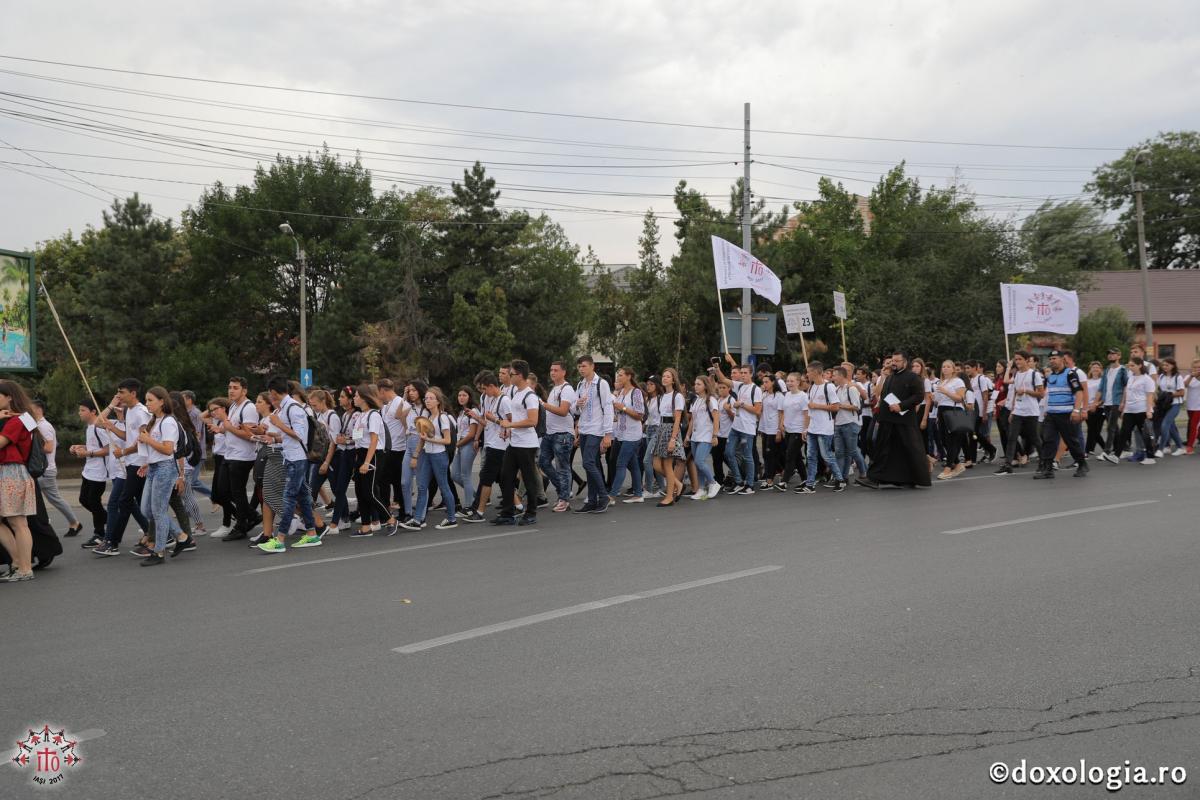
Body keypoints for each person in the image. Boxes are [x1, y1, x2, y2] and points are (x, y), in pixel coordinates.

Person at [93, 379, 153, 556]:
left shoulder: (141, 412)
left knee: (124, 501)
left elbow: (144, 439)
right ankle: (163, 535)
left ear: (133, 393)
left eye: (122, 392)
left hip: (139, 462)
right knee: (143, 505)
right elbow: (129, 435)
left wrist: (125, 451)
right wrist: (112, 428)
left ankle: (112, 542)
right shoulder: (130, 411)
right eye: (118, 392)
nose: (119, 395)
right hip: (131, 462)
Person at [858, 351, 930, 489]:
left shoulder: (913, 378)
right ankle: (875, 478)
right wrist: (880, 417)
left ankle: (911, 479)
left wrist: (901, 405)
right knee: (883, 450)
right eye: (892, 361)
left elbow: (919, 396)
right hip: (887, 421)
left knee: (908, 450)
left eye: (897, 361)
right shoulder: (890, 377)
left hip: (904, 421)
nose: (894, 364)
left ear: (904, 362)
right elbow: (883, 397)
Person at [134, 387, 185, 566]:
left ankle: (159, 551)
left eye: (150, 400)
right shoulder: (155, 421)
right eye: (146, 400)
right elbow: (159, 450)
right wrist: (148, 462)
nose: (147, 404)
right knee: (146, 510)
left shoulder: (168, 422)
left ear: (162, 401)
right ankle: (181, 535)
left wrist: (148, 440)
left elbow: (168, 449)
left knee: (158, 511)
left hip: (165, 469)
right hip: (155, 467)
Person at [402, 388, 459, 530]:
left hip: (439, 455)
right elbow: (422, 439)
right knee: (422, 486)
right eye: (426, 398)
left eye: (431, 398)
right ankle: (418, 520)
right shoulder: (427, 418)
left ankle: (452, 519)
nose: (427, 400)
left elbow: (447, 440)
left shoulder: (443, 417)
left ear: (438, 401)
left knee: (444, 486)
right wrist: (415, 455)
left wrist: (428, 439)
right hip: (427, 454)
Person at [0, 380, 38, 581]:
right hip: (8, 473)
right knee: (15, 522)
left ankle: (24, 568)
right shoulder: (21, 418)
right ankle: (18, 563)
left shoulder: (17, 421)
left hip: (11, 473)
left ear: (9, 398)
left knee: (18, 522)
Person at [216, 376, 261, 542]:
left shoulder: (249, 408)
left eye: (235, 388)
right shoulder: (234, 405)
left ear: (244, 390)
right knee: (222, 491)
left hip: (243, 456)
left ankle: (241, 525)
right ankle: (252, 515)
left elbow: (251, 435)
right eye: (229, 387)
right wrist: (222, 429)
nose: (231, 390)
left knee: (237, 492)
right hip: (230, 454)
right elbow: (231, 427)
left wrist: (228, 427)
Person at [496, 360, 540, 526]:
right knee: (505, 476)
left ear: (520, 375)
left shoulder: (530, 396)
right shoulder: (516, 392)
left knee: (528, 479)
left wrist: (511, 425)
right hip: (514, 443)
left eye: (511, 374)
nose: (509, 377)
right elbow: (517, 417)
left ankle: (531, 513)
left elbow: (532, 421)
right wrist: (508, 429)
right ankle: (508, 513)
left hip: (527, 445)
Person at [1034, 350, 1089, 479]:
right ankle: (1048, 469)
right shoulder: (1050, 376)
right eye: (1051, 359)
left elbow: (1079, 393)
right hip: (1051, 415)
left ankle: (1082, 464)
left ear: (1062, 359)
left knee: (1071, 441)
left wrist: (1076, 411)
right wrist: (1047, 410)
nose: (1052, 361)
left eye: (1055, 358)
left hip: (1066, 414)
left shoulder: (1070, 374)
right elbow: (1049, 394)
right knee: (1048, 441)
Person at [30, 400, 82, 536]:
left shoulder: (44, 426)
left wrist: (30, 447)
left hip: (44, 470)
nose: (27, 411)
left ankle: (45, 526)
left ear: (39, 409)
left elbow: (49, 447)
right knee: (54, 499)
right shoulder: (37, 425)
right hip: (45, 469)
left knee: (33, 498)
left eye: (30, 408)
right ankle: (74, 523)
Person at [711, 356, 761, 496]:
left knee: (747, 456)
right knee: (728, 453)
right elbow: (723, 379)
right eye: (742, 373)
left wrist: (742, 405)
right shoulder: (739, 386)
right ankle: (739, 481)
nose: (743, 375)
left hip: (747, 428)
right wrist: (716, 368)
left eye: (746, 373)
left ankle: (749, 484)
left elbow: (758, 410)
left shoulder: (755, 389)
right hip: (736, 427)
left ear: (751, 374)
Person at [69, 399, 113, 544]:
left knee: (94, 501)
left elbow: (108, 449)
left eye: (83, 410)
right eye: (79, 410)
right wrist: (78, 446)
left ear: (93, 411)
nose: (79, 413)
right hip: (89, 470)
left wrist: (88, 453)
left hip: (99, 472)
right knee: (84, 499)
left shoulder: (98, 427)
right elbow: (92, 445)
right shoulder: (89, 427)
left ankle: (99, 534)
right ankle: (107, 518)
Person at [573, 355, 614, 514]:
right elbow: (576, 411)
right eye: (579, 367)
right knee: (593, 464)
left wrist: (608, 434)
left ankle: (604, 497)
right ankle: (592, 500)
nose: (581, 369)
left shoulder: (601, 384)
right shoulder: (580, 385)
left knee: (588, 463)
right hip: (584, 428)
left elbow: (608, 408)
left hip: (596, 430)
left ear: (592, 366)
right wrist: (577, 404)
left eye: (583, 366)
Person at [797, 362, 845, 494]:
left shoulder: (828, 387)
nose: (807, 374)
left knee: (827, 456)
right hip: (813, 427)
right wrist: (805, 428)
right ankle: (810, 484)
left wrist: (817, 406)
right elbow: (809, 410)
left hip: (825, 427)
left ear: (817, 372)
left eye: (809, 372)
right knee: (811, 456)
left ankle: (840, 480)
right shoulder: (811, 388)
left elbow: (836, 406)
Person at [994, 351, 1044, 475]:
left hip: (1031, 412)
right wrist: (1013, 411)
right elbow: (1014, 392)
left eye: (1020, 359)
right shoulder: (1016, 375)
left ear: (1027, 360)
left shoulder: (1034, 374)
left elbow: (1041, 393)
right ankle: (1008, 465)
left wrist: (1026, 390)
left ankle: (1044, 462)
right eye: (1016, 359)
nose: (1018, 362)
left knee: (1035, 438)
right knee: (1011, 437)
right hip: (1018, 411)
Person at [538, 362, 576, 512]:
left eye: (556, 370)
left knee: (563, 468)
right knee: (543, 462)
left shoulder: (567, 389)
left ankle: (564, 499)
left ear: (563, 372)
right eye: (551, 370)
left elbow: (563, 411)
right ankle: (563, 491)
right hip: (550, 433)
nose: (552, 372)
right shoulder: (554, 388)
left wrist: (544, 405)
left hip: (563, 434)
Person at [607, 367, 645, 505]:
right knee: (633, 465)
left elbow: (639, 415)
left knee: (621, 463)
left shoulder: (636, 392)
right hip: (621, 434)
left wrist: (622, 408)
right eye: (618, 375)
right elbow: (619, 413)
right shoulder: (621, 392)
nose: (618, 378)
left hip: (632, 435)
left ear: (629, 376)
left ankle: (611, 496)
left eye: (621, 375)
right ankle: (638, 494)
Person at [1109, 357, 1157, 465]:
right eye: (1129, 365)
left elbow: (1150, 396)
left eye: (1132, 365)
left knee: (1145, 434)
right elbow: (1127, 392)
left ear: (1140, 365)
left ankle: (1150, 457)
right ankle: (1116, 456)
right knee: (1123, 433)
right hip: (1129, 411)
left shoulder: (1147, 379)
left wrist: (1149, 410)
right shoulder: (1130, 378)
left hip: (1142, 410)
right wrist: (1123, 406)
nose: (1130, 367)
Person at [651, 368, 686, 507]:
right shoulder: (661, 396)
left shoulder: (677, 396)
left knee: (667, 464)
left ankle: (670, 496)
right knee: (656, 464)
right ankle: (678, 484)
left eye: (668, 376)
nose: (664, 378)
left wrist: (673, 439)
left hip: (671, 429)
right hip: (661, 429)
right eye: (663, 376)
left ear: (673, 379)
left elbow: (677, 419)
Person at [377, 378, 409, 524]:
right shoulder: (385, 406)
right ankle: (386, 512)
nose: (379, 395)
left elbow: (405, 422)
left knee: (396, 482)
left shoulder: (400, 402)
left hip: (399, 448)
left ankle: (403, 512)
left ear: (383, 390)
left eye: (379, 392)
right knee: (384, 482)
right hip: (388, 448)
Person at [686, 374, 721, 499]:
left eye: (699, 384)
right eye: (695, 384)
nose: (696, 386)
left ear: (705, 386)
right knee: (697, 463)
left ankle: (713, 483)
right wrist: (688, 436)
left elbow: (716, 418)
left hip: (706, 436)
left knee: (700, 461)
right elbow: (692, 420)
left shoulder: (711, 400)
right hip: (695, 436)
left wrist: (715, 435)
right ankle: (701, 489)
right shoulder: (696, 400)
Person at [932, 360, 968, 480]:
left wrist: (946, 392)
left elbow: (960, 398)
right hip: (942, 411)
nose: (945, 368)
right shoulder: (941, 382)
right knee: (944, 440)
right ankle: (957, 464)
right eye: (943, 367)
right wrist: (934, 398)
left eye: (948, 367)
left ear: (953, 369)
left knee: (953, 440)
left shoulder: (958, 381)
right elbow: (938, 401)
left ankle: (948, 468)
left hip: (954, 411)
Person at [832, 366, 867, 482]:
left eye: (835, 375)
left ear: (841, 376)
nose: (833, 377)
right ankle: (841, 477)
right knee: (840, 452)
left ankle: (864, 472)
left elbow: (856, 406)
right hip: (839, 423)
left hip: (851, 423)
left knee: (852, 451)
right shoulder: (837, 389)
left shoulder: (851, 388)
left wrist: (839, 405)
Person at [451, 387, 480, 514]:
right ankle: (476, 496)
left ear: (469, 397)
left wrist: (457, 444)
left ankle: (468, 507)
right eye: (459, 395)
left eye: (464, 395)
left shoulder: (472, 411)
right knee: (455, 475)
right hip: (461, 443)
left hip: (467, 444)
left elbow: (471, 434)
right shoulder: (462, 412)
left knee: (465, 476)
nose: (461, 397)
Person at [1095, 347, 1128, 459]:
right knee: (1115, 428)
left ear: (1119, 356)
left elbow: (1126, 386)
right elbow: (1101, 387)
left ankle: (1107, 451)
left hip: (1117, 401)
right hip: (1107, 402)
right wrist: (1096, 401)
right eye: (1109, 354)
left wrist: (1123, 402)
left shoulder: (1123, 370)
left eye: (1113, 354)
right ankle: (1124, 448)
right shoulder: (1107, 370)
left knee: (1110, 427)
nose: (1110, 355)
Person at [780, 372, 809, 489]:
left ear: (798, 382)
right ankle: (805, 479)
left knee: (790, 455)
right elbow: (784, 411)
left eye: (792, 381)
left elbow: (807, 414)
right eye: (788, 381)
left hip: (798, 430)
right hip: (788, 429)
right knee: (796, 457)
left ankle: (784, 482)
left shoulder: (803, 396)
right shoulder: (787, 395)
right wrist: (781, 423)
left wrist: (805, 429)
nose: (789, 383)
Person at [181, 391, 212, 499]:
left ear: (189, 400)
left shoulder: (195, 413)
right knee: (188, 481)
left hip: (197, 452)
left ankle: (215, 497)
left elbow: (197, 433)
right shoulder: (186, 413)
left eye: (182, 398)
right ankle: (189, 507)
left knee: (192, 481)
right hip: (190, 452)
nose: (180, 401)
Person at [757, 372, 784, 491]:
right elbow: (760, 411)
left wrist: (779, 430)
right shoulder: (763, 395)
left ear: (773, 382)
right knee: (765, 454)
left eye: (767, 382)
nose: (765, 384)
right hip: (765, 428)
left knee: (771, 454)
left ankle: (770, 480)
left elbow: (781, 413)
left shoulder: (779, 396)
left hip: (774, 429)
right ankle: (777, 473)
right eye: (763, 382)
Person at [1155, 358, 1185, 457]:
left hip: (1175, 405)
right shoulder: (1162, 376)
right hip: (1164, 405)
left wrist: (1170, 395)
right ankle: (1180, 447)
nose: (1164, 367)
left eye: (1167, 365)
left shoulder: (1178, 377)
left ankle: (1160, 449)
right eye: (1163, 365)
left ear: (1173, 365)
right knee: (1171, 427)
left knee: (1165, 425)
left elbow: (1182, 392)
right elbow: (1159, 389)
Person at [1083, 362, 1106, 457]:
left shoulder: (1103, 381)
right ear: (1090, 369)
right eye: (1093, 367)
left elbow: (1104, 395)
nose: (1095, 369)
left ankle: (1105, 449)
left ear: (1100, 370)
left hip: (1100, 408)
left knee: (1095, 431)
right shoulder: (1087, 381)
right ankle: (1088, 450)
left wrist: (1096, 404)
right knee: (1091, 430)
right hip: (1088, 408)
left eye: (1097, 367)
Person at [1185, 359, 1200, 454]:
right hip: (1190, 405)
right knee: (1194, 425)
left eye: (1199, 367)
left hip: (1199, 407)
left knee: (1193, 426)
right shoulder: (1188, 376)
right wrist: (1191, 376)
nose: (1197, 369)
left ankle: (1190, 446)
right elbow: (1184, 385)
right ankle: (1198, 438)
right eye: (1194, 367)